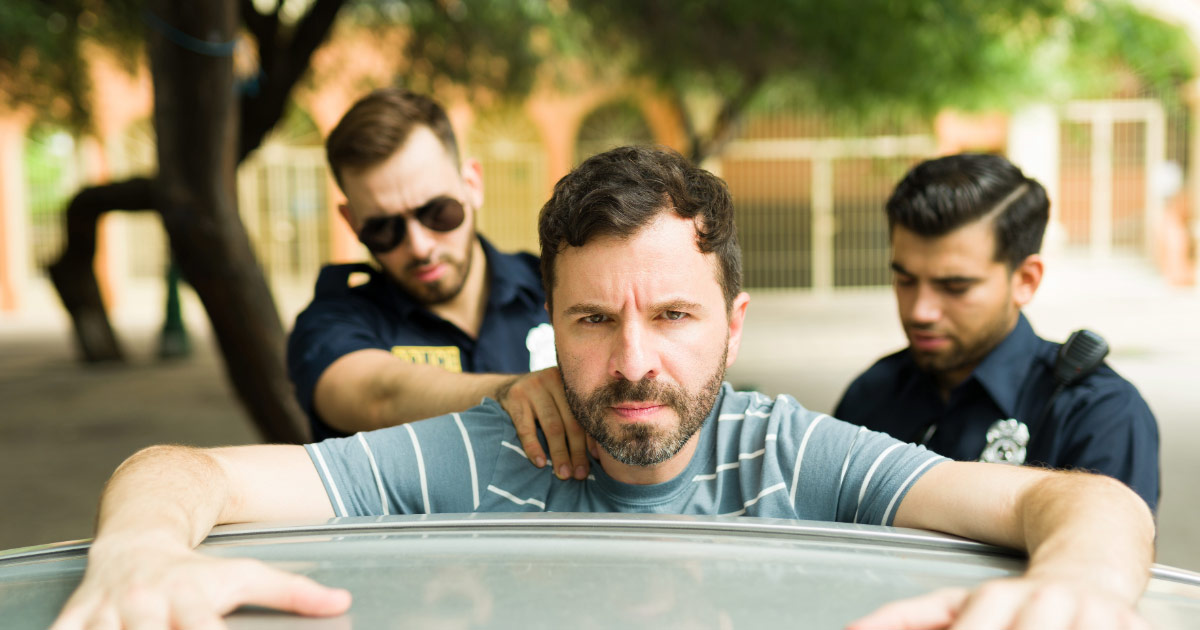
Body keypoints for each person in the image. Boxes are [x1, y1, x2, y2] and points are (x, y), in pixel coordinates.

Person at [52, 147, 1154, 630]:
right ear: (550, 327)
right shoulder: (481, 449)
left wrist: (1082, 583)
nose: (634, 361)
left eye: (673, 316)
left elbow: (1078, 499)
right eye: (592, 320)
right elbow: (178, 470)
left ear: (733, 325)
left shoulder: (788, 449)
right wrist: (141, 551)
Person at [288, 88, 588, 480]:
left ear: (472, 185)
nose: (420, 246)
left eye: (437, 212)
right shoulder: (334, 319)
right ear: (351, 223)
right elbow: (380, 395)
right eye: (384, 230)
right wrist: (511, 394)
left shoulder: (560, 288)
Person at [833, 153, 1160, 511]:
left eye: (955, 286)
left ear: (1025, 280)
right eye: (905, 280)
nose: (920, 311)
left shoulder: (1095, 413)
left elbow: (1104, 559)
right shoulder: (872, 394)